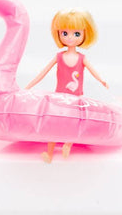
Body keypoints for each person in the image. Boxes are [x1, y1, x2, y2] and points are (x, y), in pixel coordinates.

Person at [24, 8, 108, 163]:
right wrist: (29, 85)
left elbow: (93, 71)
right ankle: (49, 153)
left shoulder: (81, 58)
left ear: (84, 34)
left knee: (73, 124)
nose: (70, 38)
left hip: (75, 98)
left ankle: (68, 144)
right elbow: (43, 73)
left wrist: (102, 81)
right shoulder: (59, 57)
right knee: (53, 125)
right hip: (59, 97)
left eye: (76, 34)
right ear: (59, 34)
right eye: (65, 33)